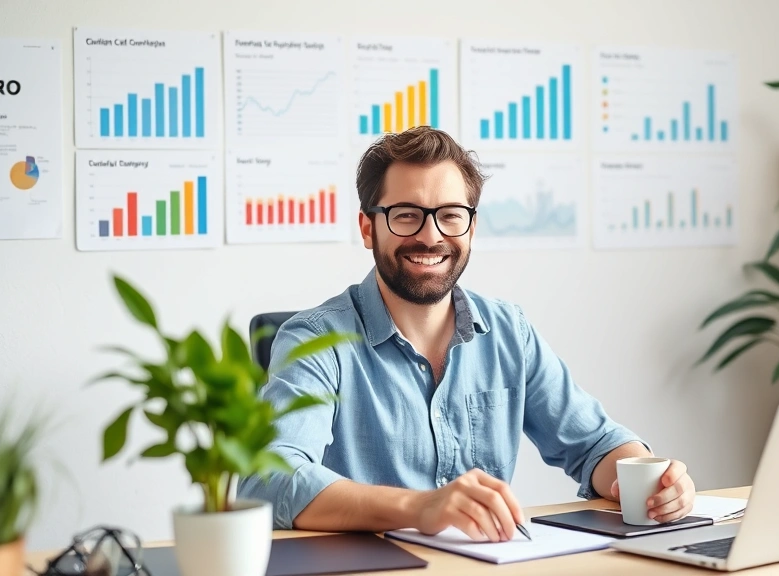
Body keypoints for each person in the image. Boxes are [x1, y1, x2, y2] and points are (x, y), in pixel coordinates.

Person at [238, 127, 696, 542]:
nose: (431, 236)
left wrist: (658, 483)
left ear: (471, 227)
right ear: (367, 227)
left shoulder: (508, 332)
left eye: (450, 215)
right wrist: (420, 508)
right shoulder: (315, 341)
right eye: (405, 215)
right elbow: (270, 482)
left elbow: (595, 444)